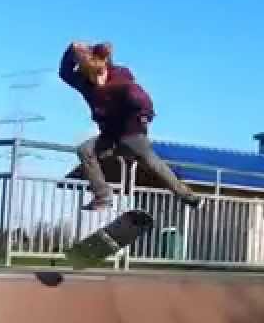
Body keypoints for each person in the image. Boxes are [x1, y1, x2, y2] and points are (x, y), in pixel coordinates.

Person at [59, 40, 202, 211]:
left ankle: (189, 197)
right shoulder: (85, 83)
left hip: (131, 131)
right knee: (85, 150)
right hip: (110, 135)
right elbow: (64, 73)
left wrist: (145, 116)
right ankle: (103, 196)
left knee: (152, 164)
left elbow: (143, 99)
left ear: (105, 67)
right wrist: (71, 50)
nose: (97, 81)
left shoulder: (121, 78)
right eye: (92, 78)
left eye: (99, 76)